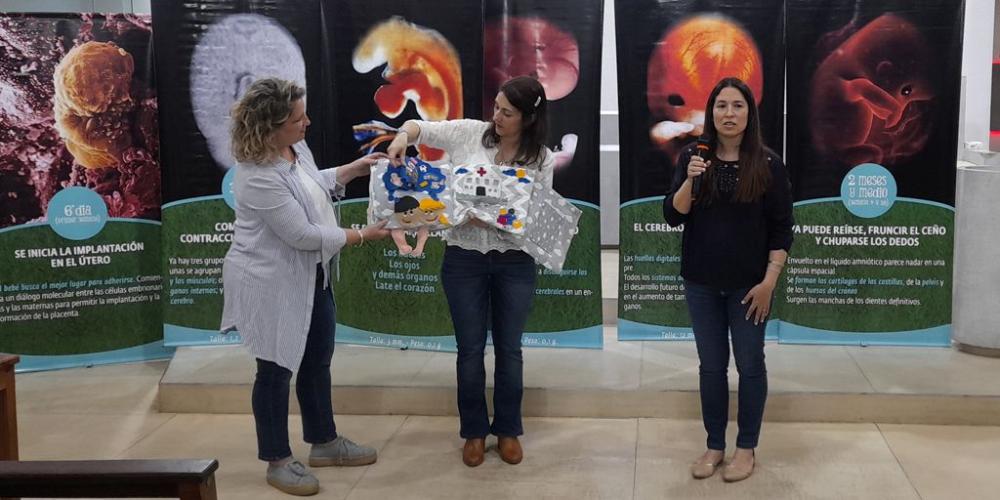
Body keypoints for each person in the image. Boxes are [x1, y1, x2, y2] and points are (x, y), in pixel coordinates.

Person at [220, 77, 390, 496]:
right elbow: (300, 234)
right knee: (275, 369)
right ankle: (277, 459)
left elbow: (312, 184)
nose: (307, 122)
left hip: (313, 274)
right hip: (269, 282)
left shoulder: (295, 148)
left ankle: (324, 442)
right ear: (270, 128)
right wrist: (362, 235)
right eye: (298, 119)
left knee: (317, 361)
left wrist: (353, 169)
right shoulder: (256, 176)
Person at [385, 76, 554, 467]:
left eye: (507, 113)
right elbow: (420, 127)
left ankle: (508, 429)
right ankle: (474, 432)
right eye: (496, 107)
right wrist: (402, 137)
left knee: (510, 350)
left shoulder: (541, 159)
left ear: (528, 119)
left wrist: (492, 217)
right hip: (464, 258)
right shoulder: (470, 134)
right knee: (470, 349)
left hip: (514, 261)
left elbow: (536, 215)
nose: (497, 117)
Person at [662, 77, 794, 482]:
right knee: (711, 367)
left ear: (749, 113)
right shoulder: (693, 156)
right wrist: (691, 179)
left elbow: (782, 229)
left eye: (738, 106)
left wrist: (769, 283)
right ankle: (714, 445)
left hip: (750, 287)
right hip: (701, 283)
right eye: (721, 106)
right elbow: (673, 215)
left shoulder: (768, 164)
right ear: (711, 112)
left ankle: (746, 448)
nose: (729, 114)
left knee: (750, 365)